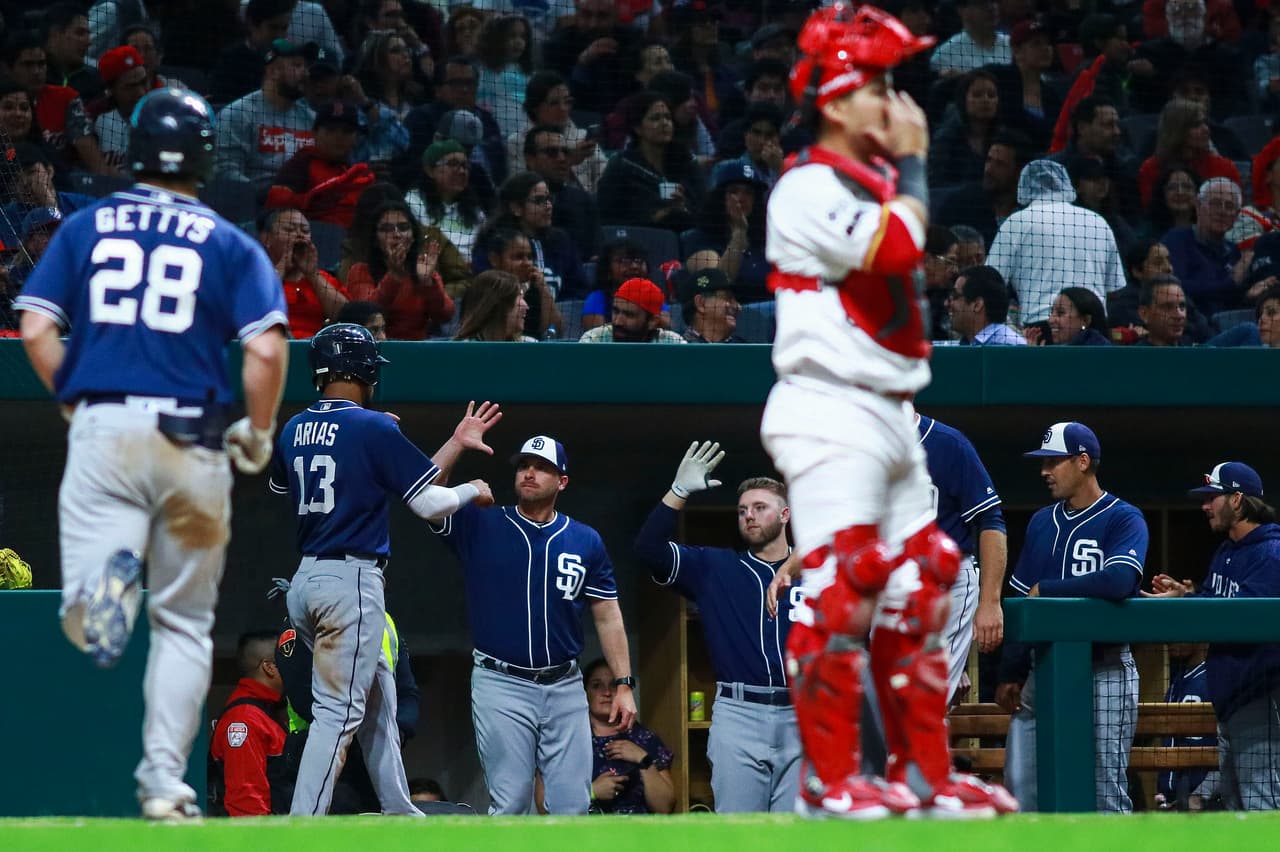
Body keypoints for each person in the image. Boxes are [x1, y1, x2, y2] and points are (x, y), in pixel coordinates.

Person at [761, 3, 1015, 820]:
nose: (897, 102)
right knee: (842, 591)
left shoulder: (864, 182)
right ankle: (830, 782)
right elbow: (898, 248)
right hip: (829, 407)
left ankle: (920, 777)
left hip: (893, 412)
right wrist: (913, 163)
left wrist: (900, 169)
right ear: (837, 100)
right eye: (879, 84)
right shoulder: (804, 185)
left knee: (925, 584)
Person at [15, 89, 289, 820]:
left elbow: (37, 325)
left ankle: (99, 594)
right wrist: (257, 432)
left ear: (134, 152)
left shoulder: (90, 225)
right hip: (193, 440)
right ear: (202, 155)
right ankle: (165, 786)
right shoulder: (230, 241)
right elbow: (265, 348)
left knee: (93, 605)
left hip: (106, 429)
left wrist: (77, 398)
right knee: (185, 626)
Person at [268, 325, 498, 816]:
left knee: (377, 700)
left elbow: (285, 487)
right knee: (339, 712)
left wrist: (428, 445)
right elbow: (432, 504)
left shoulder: (293, 427)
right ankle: (301, 826)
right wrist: (471, 489)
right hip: (350, 582)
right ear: (366, 370)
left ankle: (399, 808)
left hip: (307, 578)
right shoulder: (373, 427)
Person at [428, 434, 638, 815]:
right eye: (524, 465)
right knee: (510, 804)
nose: (529, 473)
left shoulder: (584, 540)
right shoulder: (481, 523)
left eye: (542, 467)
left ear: (562, 481)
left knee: (572, 804)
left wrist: (624, 683)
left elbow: (607, 615)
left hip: (565, 684)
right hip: (501, 681)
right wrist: (459, 449)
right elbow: (425, 496)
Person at [635, 444, 801, 812]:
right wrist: (678, 491)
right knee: (740, 838)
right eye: (743, 510)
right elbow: (648, 549)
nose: (749, 516)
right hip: (740, 714)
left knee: (797, 838)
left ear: (785, 514)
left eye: (760, 508)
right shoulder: (716, 568)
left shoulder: (818, 570)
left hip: (803, 713)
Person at [997, 422, 1147, 813]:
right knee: (1022, 789)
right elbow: (1019, 597)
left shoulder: (1123, 518)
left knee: (1105, 796)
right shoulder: (1042, 521)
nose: (1044, 471)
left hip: (1104, 670)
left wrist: (1051, 589)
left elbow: (1120, 580)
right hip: (1041, 670)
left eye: (1053, 462)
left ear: (1083, 462)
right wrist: (1011, 670)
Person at [1144, 461, 1280, 810]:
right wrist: (1183, 596)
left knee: (1263, 806)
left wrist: (1188, 601)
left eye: (1212, 496)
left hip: (1262, 696)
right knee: (1237, 808)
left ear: (1237, 500)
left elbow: (1242, 618)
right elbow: (1213, 602)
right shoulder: (1226, 552)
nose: (1205, 505)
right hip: (1232, 700)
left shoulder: (1271, 552)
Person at [987, 159, 1126, 325]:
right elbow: (1115, 289)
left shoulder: (1016, 222)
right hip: (1092, 327)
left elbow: (990, 282)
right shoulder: (1097, 221)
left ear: (1024, 185)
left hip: (1042, 324)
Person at [215, 38, 317, 194]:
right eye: (297, 65)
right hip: (253, 207)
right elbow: (226, 173)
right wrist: (267, 195)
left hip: (304, 205)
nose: (306, 73)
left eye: (306, 66)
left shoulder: (311, 119)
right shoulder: (237, 114)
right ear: (272, 71)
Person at [596, 91, 705, 233]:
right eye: (655, 118)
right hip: (638, 241)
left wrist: (684, 208)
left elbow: (706, 212)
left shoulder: (687, 161)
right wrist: (654, 217)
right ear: (637, 128)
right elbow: (607, 218)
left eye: (667, 117)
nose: (664, 123)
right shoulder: (622, 165)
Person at [344, 200, 455, 339]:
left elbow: (445, 315)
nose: (396, 234)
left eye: (403, 228)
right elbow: (366, 317)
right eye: (386, 229)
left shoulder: (423, 270)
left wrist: (427, 283)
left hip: (416, 350)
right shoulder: (360, 271)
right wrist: (394, 277)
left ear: (413, 236)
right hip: (376, 347)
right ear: (375, 239)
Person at [583, 658, 676, 814]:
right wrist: (591, 792)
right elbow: (545, 805)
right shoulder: (569, 739)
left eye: (614, 685)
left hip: (640, 833)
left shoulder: (645, 739)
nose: (606, 692)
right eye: (597, 686)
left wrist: (643, 759)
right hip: (585, 834)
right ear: (585, 692)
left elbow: (664, 808)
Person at [210, 631, 287, 817]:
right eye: (288, 660)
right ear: (270, 667)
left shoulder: (270, 709)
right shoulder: (245, 719)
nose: (296, 667)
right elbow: (247, 806)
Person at [266, 102, 376, 228]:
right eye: (330, 130)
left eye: (347, 131)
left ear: (356, 138)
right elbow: (275, 215)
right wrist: (311, 202)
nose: (338, 137)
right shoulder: (300, 165)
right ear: (315, 133)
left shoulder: (360, 173)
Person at [681, 161, 770, 303]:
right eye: (734, 191)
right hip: (727, 317)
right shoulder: (699, 239)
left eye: (749, 192)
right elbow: (714, 285)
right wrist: (739, 235)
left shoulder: (766, 239)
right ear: (720, 196)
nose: (741, 198)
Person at [257, 208, 349, 338]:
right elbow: (256, 310)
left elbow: (347, 317)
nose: (299, 235)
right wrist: (281, 269)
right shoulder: (253, 275)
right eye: (289, 230)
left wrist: (312, 274)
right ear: (267, 238)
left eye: (305, 231)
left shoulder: (324, 279)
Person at [1162, 177, 1247, 316]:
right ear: (1198, 205)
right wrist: (1230, 284)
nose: (1222, 211)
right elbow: (1176, 289)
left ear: (1237, 216)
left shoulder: (1234, 252)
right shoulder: (1177, 240)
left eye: (1229, 206)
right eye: (1215, 204)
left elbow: (1232, 300)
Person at [1137, 99, 1239, 210]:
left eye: (1205, 123)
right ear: (1176, 130)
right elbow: (1150, 213)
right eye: (1196, 125)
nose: (1206, 129)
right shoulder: (1151, 168)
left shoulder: (1224, 168)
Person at [405, 140, 486, 265]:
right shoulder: (413, 203)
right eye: (453, 164)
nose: (461, 171)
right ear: (430, 170)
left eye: (465, 166)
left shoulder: (475, 212)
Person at [479, 227, 563, 340]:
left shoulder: (536, 290)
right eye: (518, 257)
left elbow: (555, 333)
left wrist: (544, 289)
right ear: (494, 259)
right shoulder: (483, 290)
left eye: (529, 257)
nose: (527, 263)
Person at [927, 70, 1003, 188]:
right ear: (963, 100)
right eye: (977, 95)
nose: (986, 100)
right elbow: (934, 181)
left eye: (991, 95)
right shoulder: (946, 139)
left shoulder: (1004, 139)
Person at [91, 45, 150, 172]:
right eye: (131, 87)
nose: (141, 92)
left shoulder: (162, 115)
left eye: (144, 82)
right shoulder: (93, 117)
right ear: (110, 90)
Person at [578, 277, 685, 344]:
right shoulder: (594, 340)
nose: (617, 321)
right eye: (615, 311)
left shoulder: (672, 343)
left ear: (652, 321)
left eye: (629, 315)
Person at [929, 0, 1011, 77]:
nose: (991, 7)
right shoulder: (944, 55)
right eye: (981, 3)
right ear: (962, 10)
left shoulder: (1013, 44)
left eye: (993, 1)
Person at [948, 264, 1026, 345]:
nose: (946, 303)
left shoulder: (1009, 345)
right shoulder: (968, 343)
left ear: (977, 305)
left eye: (955, 296)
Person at [453, 269, 534, 342]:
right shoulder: (463, 349)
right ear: (499, 306)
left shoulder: (529, 345)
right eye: (519, 298)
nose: (526, 306)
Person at [1027, 286, 1111, 346]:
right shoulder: (1056, 349)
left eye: (1060, 313)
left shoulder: (1098, 350)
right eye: (1052, 312)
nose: (1050, 320)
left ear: (1085, 320)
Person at [679, 268, 744, 344]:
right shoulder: (677, 349)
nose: (739, 307)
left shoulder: (744, 348)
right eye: (728, 298)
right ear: (701, 304)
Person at [1134, 276, 1192, 346]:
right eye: (1167, 307)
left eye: (1182, 306)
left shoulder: (1196, 355)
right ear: (1144, 314)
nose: (1179, 315)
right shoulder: (1129, 356)